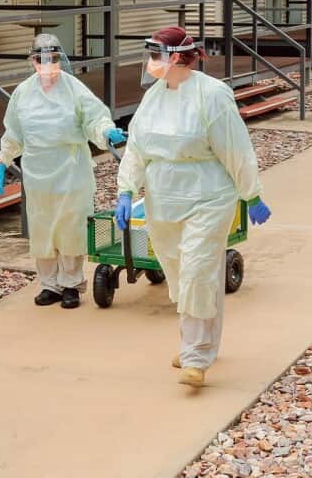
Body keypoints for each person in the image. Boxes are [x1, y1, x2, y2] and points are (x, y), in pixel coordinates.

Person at [114, 26, 271, 387]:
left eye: (156, 55)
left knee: (199, 270)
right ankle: (192, 342)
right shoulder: (154, 97)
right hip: (163, 198)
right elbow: (137, 147)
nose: (151, 63)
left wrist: (252, 194)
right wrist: (125, 190)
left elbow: (235, 148)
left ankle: (197, 357)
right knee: (180, 270)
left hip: (207, 195)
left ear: (176, 57)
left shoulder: (212, 95)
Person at [0, 33, 125, 309]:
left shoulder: (74, 89)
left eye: (52, 59)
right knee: (42, 228)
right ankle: (49, 285)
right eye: (41, 60)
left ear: (59, 60)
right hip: (37, 170)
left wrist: (106, 131)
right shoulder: (23, 93)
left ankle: (71, 285)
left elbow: (94, 119)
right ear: (32, 62)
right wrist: (3, 161)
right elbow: (14, 131)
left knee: (70, 226)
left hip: (71, 168)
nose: (47, 65)